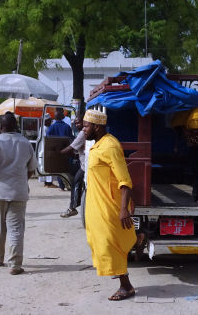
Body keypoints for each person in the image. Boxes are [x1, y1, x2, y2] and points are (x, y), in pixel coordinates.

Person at [82, 109, 137, 301]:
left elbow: (125, 180)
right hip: (96, 205)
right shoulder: (98, 145)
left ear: (97, 127)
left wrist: (124, 209)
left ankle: (126, 286)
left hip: (109, 207)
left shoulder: (110, 146)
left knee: (110, 244)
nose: (83, 129)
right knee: (100, 242)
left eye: (86, 125)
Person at [0, 112, 37, 275]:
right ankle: (15, 264)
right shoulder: (25, 143)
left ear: (0, 127)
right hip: (19, 191)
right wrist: (21, 180)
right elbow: (32, 168)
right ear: (16, 126)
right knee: (16, 228)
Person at [60, 116, 87, 218]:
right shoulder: (84, 131)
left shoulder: (82, 133)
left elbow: (71, 147)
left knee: (76, 182)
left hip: (85, 165)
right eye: (76, 123)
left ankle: (73, 207)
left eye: (79, 122)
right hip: (83, 162)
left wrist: (58, 153)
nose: (77, 125)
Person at [47, 109, 73, 190]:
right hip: (66, 151)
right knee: (66, 168)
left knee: (58, 169)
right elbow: (71, 139)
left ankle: (61, 186)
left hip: (55, 152)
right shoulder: (67, 127)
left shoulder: (51, 127)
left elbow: (48, 140)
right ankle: (68, 185)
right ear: (62, 117)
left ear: (55, 117)